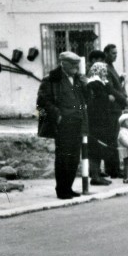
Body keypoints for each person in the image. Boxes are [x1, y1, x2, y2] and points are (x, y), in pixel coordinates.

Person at [36, 51, 88, 200]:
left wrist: (86, 85)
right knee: (63, 157)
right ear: (63, 63)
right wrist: (57, 115)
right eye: (72, 64)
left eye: (76, 64)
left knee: (74, 157)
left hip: (78, 122)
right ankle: (61, 189)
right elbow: (42, 102)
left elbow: (87, 98)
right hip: (63, 124)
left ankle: (69, 187)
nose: (75, 67)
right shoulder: (51, 79)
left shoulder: (78, 79)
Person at [85, 61, 115, 186]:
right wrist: (108, 98)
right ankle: (95, 176)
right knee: (95, 149)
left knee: (99, 148)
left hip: (101, 120)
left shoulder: (99, 83)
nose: (105, 74)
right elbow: (96, 102)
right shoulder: (94, 84)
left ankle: (96, 173)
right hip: (96, 121)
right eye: (103, 71)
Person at [102, 44, 128, 180]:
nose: (115, 55)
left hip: (115, 108)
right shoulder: (105, 68)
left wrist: (121, 81)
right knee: (112, 139)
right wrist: (123, 99)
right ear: (106, 53)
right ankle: (113, 170)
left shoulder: (111, 67)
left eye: (116, 53)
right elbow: (110, 88)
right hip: (111, 109)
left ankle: (114, 169)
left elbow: (115, 85)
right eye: (113, 53)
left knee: (114, 138)